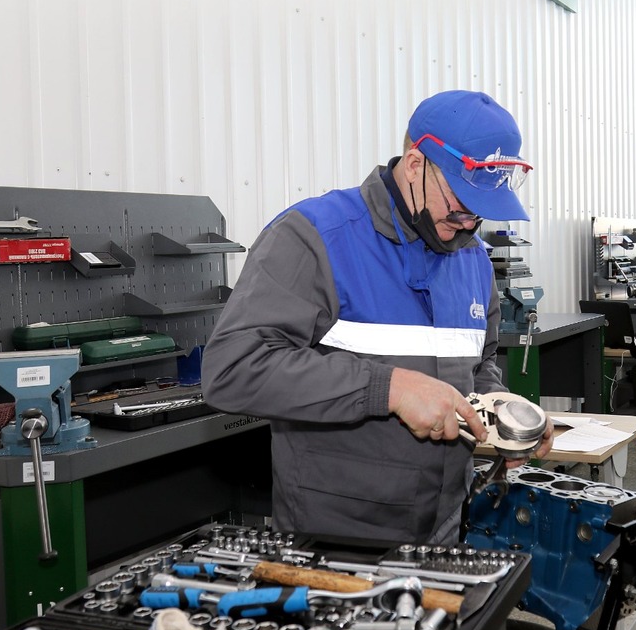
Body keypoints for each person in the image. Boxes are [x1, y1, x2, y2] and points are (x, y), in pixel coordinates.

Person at [202, 90, 553, 545]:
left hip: (446, 528)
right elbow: (231, 369)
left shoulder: (472, 259)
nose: (469, 224)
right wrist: (387, 389)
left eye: (480, 212)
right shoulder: (314, 239)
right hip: (337, 540)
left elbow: (478, 363)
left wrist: (503, 412)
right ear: (414, 165)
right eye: (462, 204)